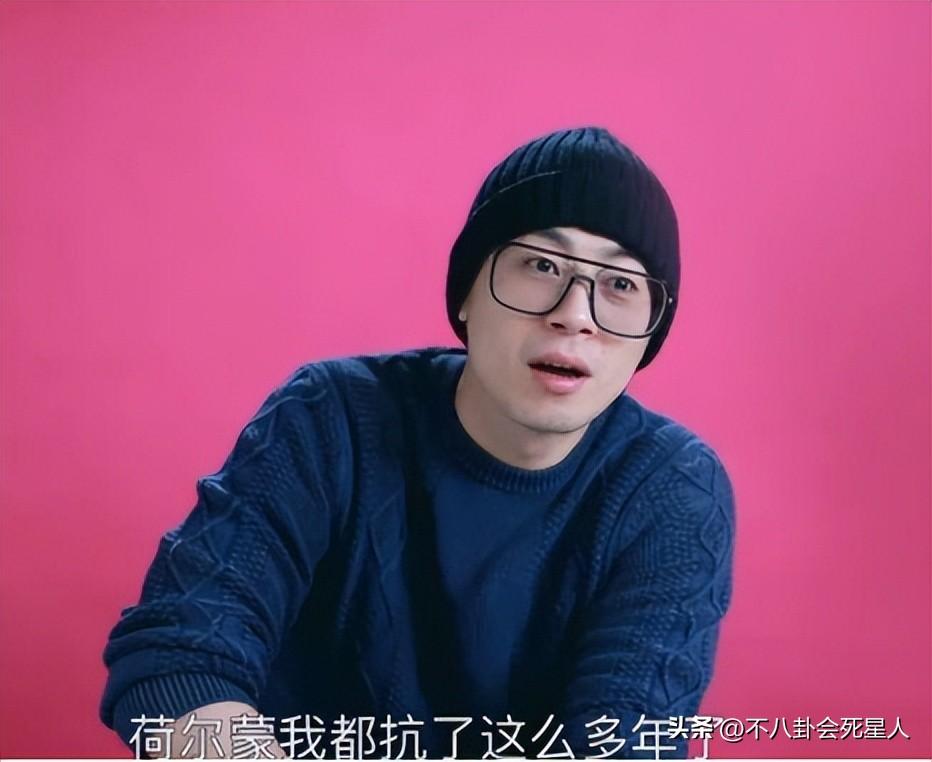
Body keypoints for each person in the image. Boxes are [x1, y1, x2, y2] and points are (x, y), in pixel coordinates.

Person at [100, 126, 736, 759]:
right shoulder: (332, 420)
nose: (574, 314)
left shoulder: (672, 492)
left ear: (649, 334)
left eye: (621, 284)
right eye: (542, 265)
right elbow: (177, 651)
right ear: (466, 294)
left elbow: (622, 744)